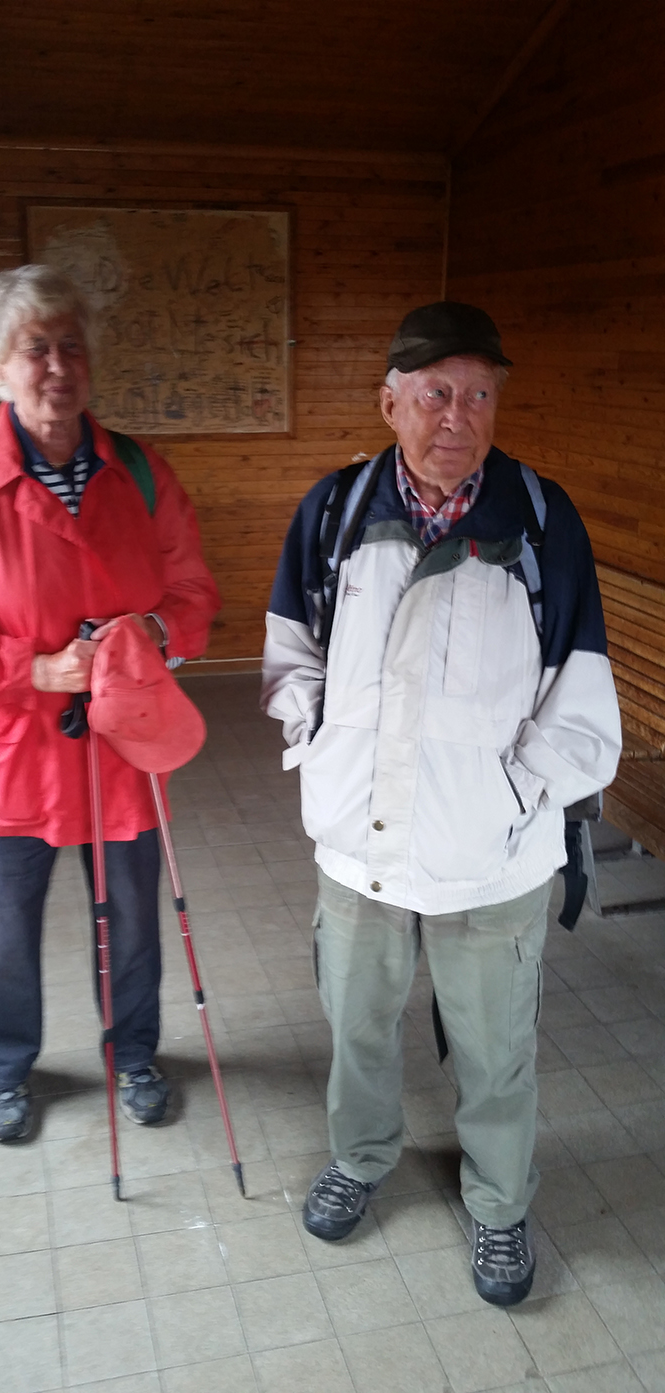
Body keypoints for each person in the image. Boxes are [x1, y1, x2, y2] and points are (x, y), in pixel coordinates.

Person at [262, 301, 621, 1306]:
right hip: (358, 844)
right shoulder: (334, 510)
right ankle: (360, 1155)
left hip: (491, 853)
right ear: (390, 403)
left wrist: (513, 794)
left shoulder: (540, 521)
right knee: (358, 1026)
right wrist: (318, 744)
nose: (456, 415)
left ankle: (500, 1204)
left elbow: (582, 700)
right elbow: (290, 651)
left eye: (477, 393)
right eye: (434, 393)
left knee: (497, 1049)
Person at [0, 265, 220, 1143]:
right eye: (34, 348)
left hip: (122, 745)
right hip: (3, 757)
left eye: (70, 346)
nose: (56, 367)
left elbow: (193, 593)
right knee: (0, 933)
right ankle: (6, 1070)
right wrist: (35, 669)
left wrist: (150, 631)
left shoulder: (140, 472)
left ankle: (136, 1053)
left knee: (132, 924)